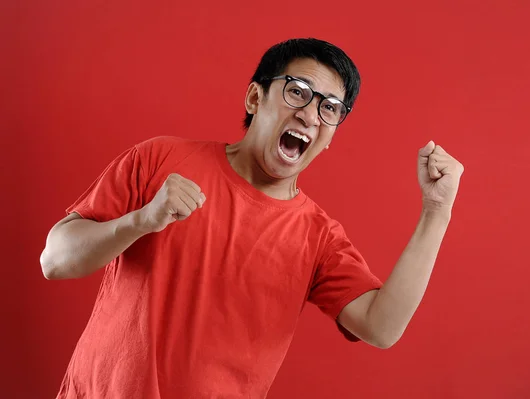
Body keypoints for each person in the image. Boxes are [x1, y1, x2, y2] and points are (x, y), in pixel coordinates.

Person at [40, 38, 464, 398]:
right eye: (298, 91)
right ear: (255, 97)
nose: (310, 115)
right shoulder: (161, 159)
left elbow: (382, 327)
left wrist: (436, 212)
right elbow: (55, 260)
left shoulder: (317, 237)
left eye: (330, 108)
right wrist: (141, 221)